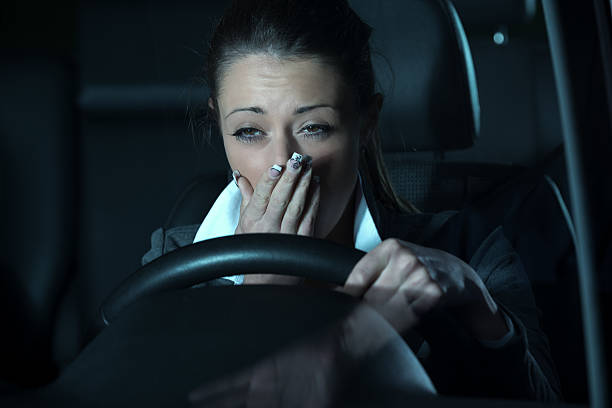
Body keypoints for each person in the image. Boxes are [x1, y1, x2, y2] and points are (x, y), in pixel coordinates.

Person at [142, 0, 561, 402]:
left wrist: (475, 301)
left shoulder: (473, 250)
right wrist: (260, 295)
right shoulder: (174, 266)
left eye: (315, 127)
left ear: (365, 125)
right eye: (250, 131)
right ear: (219, 127)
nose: (285, 164)